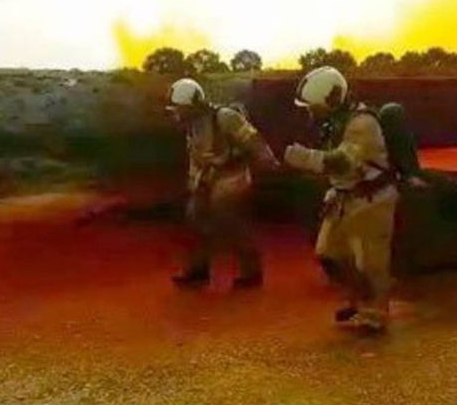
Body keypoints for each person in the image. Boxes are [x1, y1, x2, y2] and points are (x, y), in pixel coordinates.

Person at [283, 66, 398, 334]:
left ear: (331, 101)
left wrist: (302, 158)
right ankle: (357, 298)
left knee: (371, 261)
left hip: (372, 197)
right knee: (328, 252)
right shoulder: (336, 122)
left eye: (313, 106)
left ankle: (377, 312)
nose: (310, 112)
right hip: (345, 196)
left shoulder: (361, 124)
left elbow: (342, 162)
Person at [166, 78, 278, 289]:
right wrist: (195, 185)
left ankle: (251, 270)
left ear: (192, 106)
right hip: (210, 175)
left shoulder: (225, 117)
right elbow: (197, 158)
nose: (176, 113)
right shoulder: (192, 127)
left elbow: (253, 140)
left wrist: (268, 160)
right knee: (194, 214)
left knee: (226, 211)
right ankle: (198, 268)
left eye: (179, 108)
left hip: (233, 173)